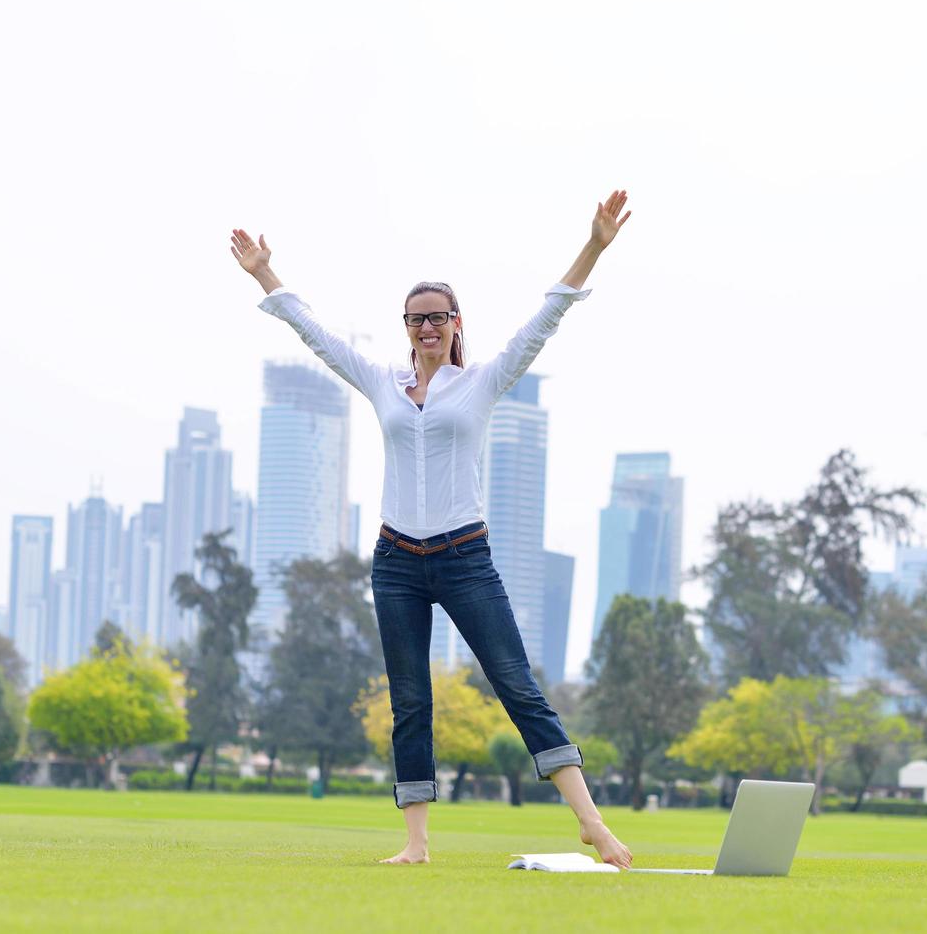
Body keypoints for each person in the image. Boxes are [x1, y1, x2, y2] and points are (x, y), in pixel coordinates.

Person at [230, 190, 633, 868]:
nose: (426, 328)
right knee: (410, 702)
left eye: (437, 317)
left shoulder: (480, 381)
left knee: (516, 685)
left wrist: (593, 243)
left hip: (464, 557)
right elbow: (316, 334)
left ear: (454, 323)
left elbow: (548, 316)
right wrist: (265, 273)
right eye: (416, 319)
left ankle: (592, 824)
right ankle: (415, 845)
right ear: (405, 325)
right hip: (395, 560)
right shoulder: (381, 382)